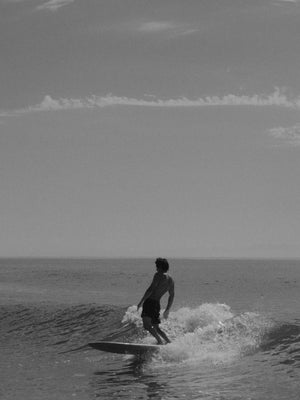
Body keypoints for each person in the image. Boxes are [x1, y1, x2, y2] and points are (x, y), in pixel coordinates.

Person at [137, 258, 175, 344]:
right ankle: (169, 343)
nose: (156, 268)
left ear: (160, 267)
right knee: (156, 327)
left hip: (150, 302)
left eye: (157, 266)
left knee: (147, 326)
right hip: (157, 304)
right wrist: (167, 309)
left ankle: (160, 341)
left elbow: (151, 289)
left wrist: (141, 301)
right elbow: (172, 295)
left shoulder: (158, 275)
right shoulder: (171, 280)